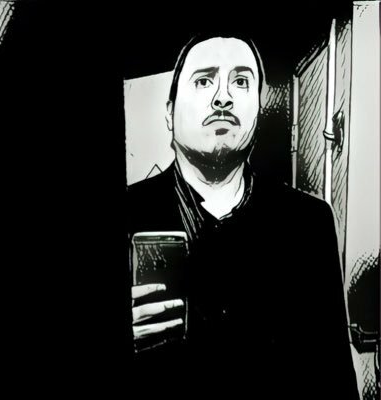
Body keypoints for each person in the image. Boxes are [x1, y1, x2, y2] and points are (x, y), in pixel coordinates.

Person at [127, 33, 359, 399]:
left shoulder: (309, 223)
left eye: (241, 81)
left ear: (257, 111)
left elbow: (334, 376)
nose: (223, 97)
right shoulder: (127, 211)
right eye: (204, 81)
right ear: (169, 113)